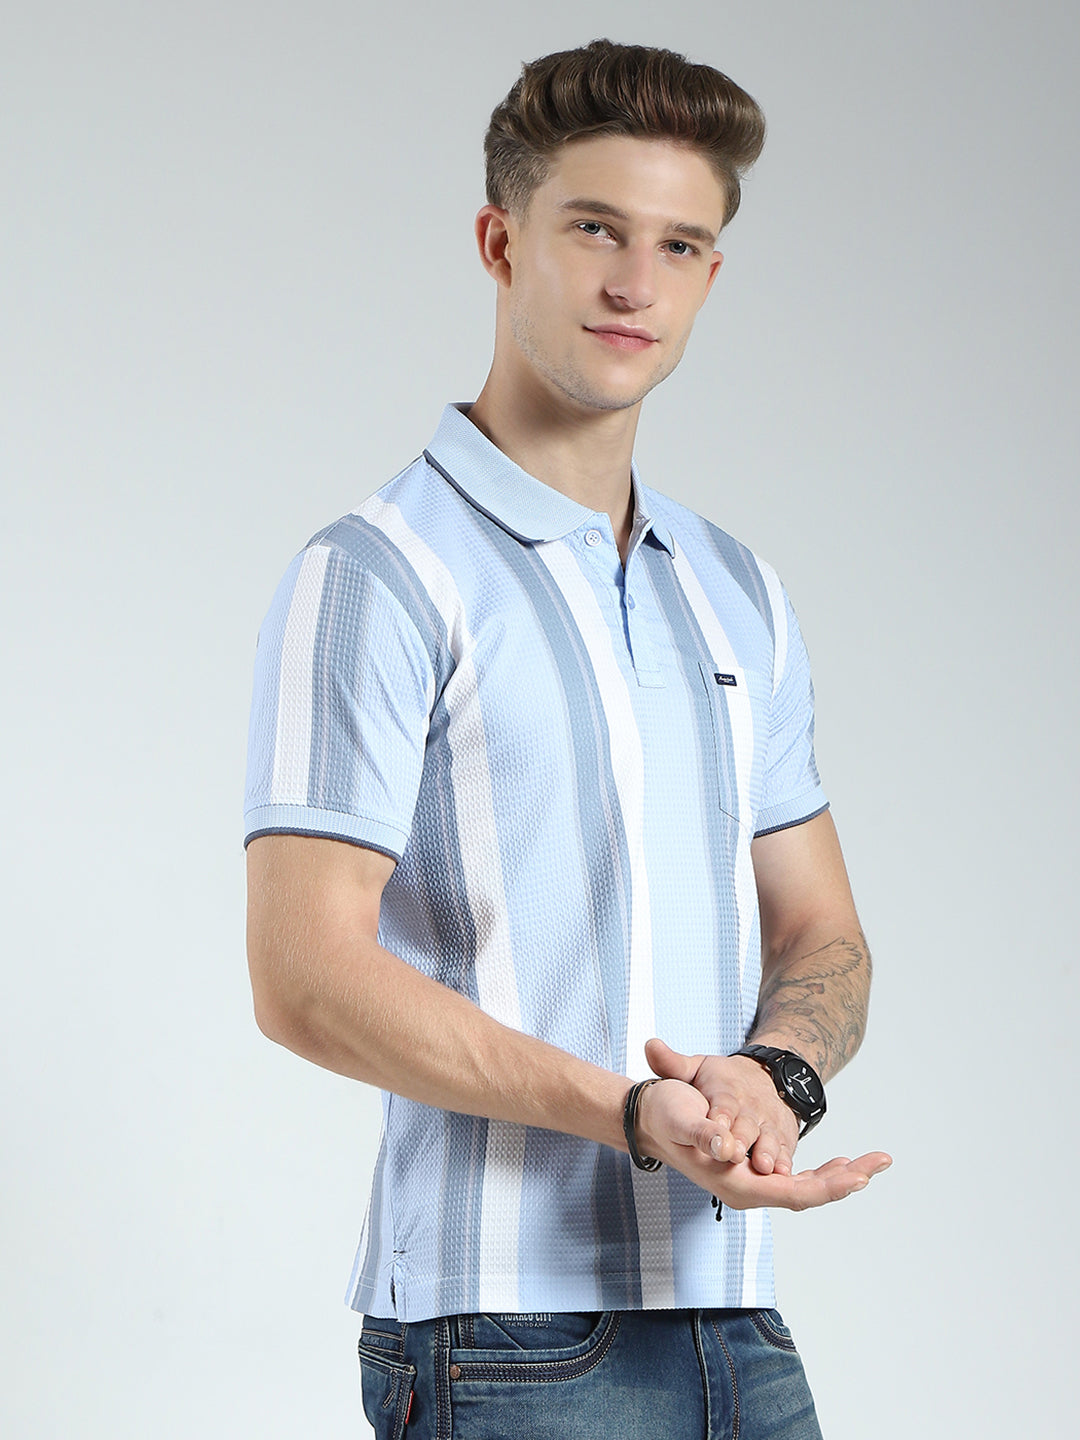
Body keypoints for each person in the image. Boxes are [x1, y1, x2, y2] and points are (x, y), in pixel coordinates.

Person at [243, 37, 891, 1440]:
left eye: (679, 245)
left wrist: (771, 1079)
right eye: (595, 228)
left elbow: (824, 934)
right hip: (502, 1333)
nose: (633, 282)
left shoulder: (736, 590)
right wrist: (627, 1112)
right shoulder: (378, 573)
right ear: (501, 241)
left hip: (732, 1309)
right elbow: (302, 977)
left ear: (711, 276)